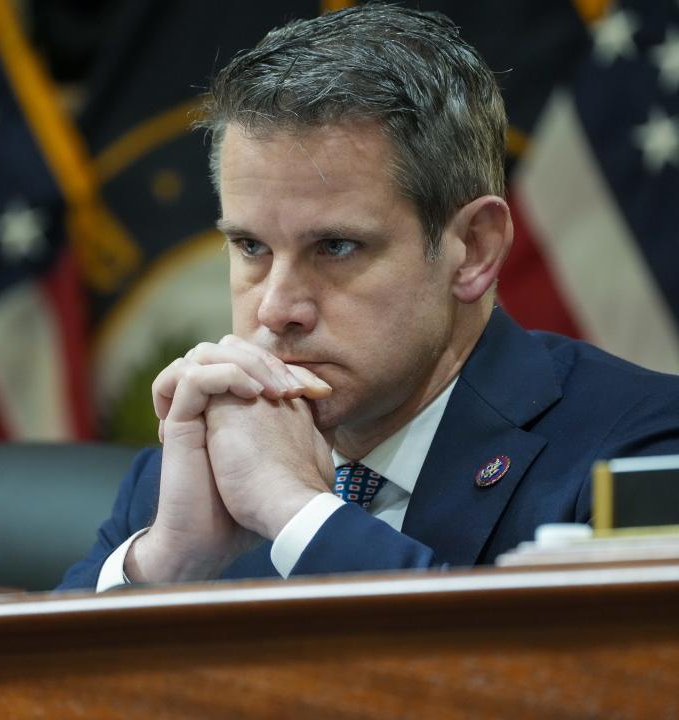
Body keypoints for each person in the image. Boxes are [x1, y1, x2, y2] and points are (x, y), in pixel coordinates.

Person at [59, 5, 679, 591]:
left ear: (474, 248)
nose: (275, 309)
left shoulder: (638, 454)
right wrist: (165, 561)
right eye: (250, 246)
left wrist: (300, 513)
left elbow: (560, 692)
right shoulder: (187, 471)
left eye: (335, 247)